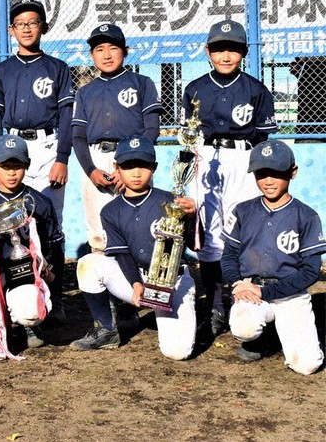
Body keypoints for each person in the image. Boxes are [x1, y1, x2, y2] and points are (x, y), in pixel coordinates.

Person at [182, 19, 278, 336]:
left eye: (233, 49)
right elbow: (190, 137)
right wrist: (185, 174)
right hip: (207, 159)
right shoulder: (194, 89)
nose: (226, 56)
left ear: (244, 52)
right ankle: (215, 306)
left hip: (244, 158)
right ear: (208, 51)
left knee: (243, 231)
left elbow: (265, 140)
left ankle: (243, 301)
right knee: (209, 238)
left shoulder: (256, 90)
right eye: (219, 49)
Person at [70, 136, 198, 360]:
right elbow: (121, 253)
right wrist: (136, 284)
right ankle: (107, 329)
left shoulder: (171, 202)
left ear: (154, 168)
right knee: (88, 264)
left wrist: (192, 217)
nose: (136, 173)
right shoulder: (110, 210)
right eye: (128, 166)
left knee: (178, 352)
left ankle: (167, 312)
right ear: (116, 168)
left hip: (173, 281)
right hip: (137, 278)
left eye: (143, 166)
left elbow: (197, 244)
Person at [0, 0, 73, 321]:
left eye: (32, 22)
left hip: (47, 146)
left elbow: (66, 115)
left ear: (43, 27)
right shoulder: (3, 70)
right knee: (10, 223)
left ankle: (57, 294)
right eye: (20, 23)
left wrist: (62, 158)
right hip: (11, 147)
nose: (26, 28)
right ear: (11, 30)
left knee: (51, 222)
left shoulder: (57, 68)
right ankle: (15, 291)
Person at [221, 140, 324, 374]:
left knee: (307, 365)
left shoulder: (306, 215)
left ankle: (283, 332)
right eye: (262, 173)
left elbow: (311, 271)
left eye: (277, 173)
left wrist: (266, 292)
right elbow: (228, 256)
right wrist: (238, 284)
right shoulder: (243, 210)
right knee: (244, 326)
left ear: (293, 173)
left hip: (290, 294)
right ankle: (259, 338)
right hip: (251, 290)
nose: (268, 181)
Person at [0, 134, 62, 354]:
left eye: (17, 165)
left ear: (26, 166)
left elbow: (51, 248)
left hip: (26, 279)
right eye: (4, 165)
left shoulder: (40, 203)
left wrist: (50, 278)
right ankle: (4, 320)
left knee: (31, 311)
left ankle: (27, 324)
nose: (11, 172)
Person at [72, 23, 163, 254]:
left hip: (134, 160)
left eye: (113, 48)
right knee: (99, 234)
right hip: (97, 159)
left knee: (140, 227)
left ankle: (138, 283)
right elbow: (78, 137)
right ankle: (102, 284)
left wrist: (129, 165)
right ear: (92, 54)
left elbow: (151, 129)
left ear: (125, 50)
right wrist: (91, 170)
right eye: (99, 49)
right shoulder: (85, 92)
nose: (107, 54)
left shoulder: (142, 83)